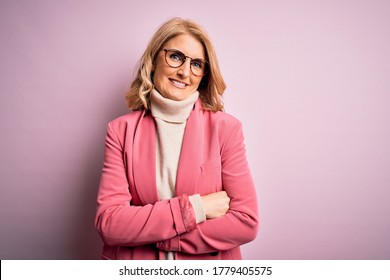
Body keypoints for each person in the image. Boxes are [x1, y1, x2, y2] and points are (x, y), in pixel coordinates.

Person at [95, 17, 259, 260]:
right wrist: (196, 209)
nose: (184, 71)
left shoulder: (226, 129)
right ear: (153, 60)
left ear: (204, 74)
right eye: (175, 57)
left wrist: (165, 236)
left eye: (197, 64)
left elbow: (246, 222)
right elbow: (109, 223)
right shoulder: (120, 131)